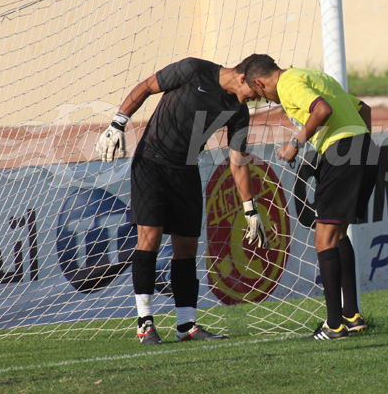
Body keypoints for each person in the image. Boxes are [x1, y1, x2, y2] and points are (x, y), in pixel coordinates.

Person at [95, 57, 267, 345]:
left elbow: (237, 162)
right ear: (241, 78)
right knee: (149, 239)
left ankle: (186, 324)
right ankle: (145, 323)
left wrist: (250, 208)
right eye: (254, 92)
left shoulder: (238, 110)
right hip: (151, 163)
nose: (254, 100)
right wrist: (117, 124)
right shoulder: (193, 70)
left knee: (186, 247)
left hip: (186, 170)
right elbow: (147, 86)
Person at [239, 53, 375, 340]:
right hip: (363, 147)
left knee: (323, 238)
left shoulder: (288, 84)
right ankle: (352, 316)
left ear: (260, 83)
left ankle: (334, 325)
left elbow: (322, 110)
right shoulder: (316, 76)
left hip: (341, 151)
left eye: (260, 96)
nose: (267, 101)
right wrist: (360, 147)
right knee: (338, 235)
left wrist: (295, 144)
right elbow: (364, 109)